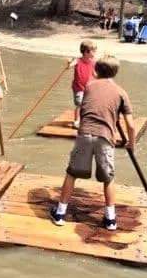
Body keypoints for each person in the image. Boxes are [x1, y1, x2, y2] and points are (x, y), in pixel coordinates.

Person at [49, 54, 136, 231]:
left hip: (85, 134)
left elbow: (93, 99)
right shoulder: (121, 93)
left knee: (72, 173)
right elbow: (131, 126)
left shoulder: (89, 86)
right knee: (108, 178)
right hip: (105, 137)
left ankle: (60, 213)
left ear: (96, 70)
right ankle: (110, 219)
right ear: (116, 72)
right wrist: (131, 144)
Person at [67, 40, 97, 129]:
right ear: (86, 51)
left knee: (88, 104)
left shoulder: (93, 62)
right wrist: (69, 62)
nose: (94, 53)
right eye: (93, 51)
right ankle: (77, 121)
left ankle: (86, 119)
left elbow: (95, 74)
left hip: (89, 88)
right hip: (78, 87)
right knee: (79, 104)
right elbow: (68, 67)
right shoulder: (77, 60)